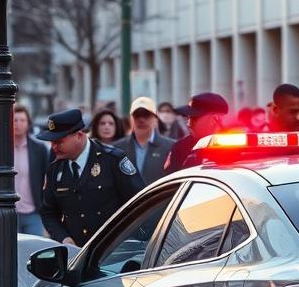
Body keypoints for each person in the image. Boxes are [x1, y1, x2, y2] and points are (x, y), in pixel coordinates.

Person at [37, 108, 144, 246]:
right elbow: (48, 212)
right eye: (52, 142)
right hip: (76, 254)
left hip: (112, 250)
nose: (54, 147)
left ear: (79, 135)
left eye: (59, 141)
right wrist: (64, 238)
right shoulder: (55, 169)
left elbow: (138, 202)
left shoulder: (113, 159)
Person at [9, 104, 51, 236]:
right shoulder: (2, 148)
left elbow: (47, 177)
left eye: (22, 120)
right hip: (9, 212)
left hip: (33, 211)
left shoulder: (39, 149)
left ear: (28, 123)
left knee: (32, 252)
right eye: (15, 120)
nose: (18, 124)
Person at [115, 96, 175, 186]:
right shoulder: (118, 148)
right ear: (131, 119)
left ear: (155, 118)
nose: (141, 119)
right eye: (137, 115)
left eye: (146, 115)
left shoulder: (171, 147)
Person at [164, 92, 230, 172]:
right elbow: (171, 181)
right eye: (187, 118)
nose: (188, 124)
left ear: (214, 119)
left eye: (194, 118)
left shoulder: (236, 147)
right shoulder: (181, 147)